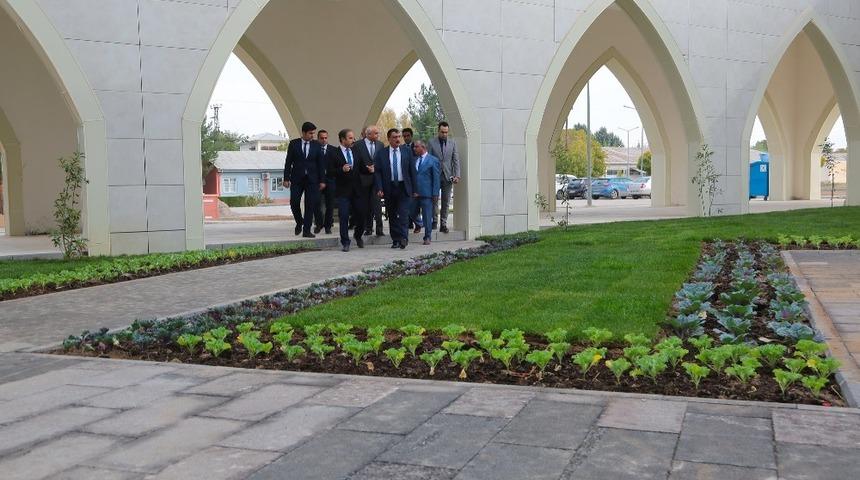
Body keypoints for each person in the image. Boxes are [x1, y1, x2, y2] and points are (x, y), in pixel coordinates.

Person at [374, 128, 416, 249]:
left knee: (403, 214)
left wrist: (415, 189)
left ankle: (404, 238)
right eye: (395, 137)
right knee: (392, 215)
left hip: (404, 187)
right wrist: (379, 188)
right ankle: (395, 239)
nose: (398, 139)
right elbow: (378, 173)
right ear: (389, 139)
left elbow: (412, 171)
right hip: (389, 187)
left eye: (399, 137)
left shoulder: (407, 151)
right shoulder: (381, 153)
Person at [283, 121, 326, 238]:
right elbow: (288, 162)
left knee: (310, 204)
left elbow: (321, 164)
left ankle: (306, 230)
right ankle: (299, 221)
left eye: (313, 133)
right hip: (297, 179)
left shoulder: (317, 145)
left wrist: (322, 180)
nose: (312, 135)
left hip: (312, 180)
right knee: (294, 202)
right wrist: (286, 178)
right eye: (310, 133)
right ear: (303, 133)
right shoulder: (294, 144)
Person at [330, 129, 368, 252]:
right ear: (342, 139)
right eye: (350, 138)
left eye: (353, 137)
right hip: (343, 191)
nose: (353, 140)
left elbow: (362, 169)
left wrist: (369, 169)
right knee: (344, 216)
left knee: (362, 215)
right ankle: (345, 242)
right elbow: (329, 172)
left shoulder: (356, 151)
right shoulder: (333, 153)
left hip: (357, 190)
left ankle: (358, 235)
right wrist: (341, 169)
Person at [427, 121, 460, 234]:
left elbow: (455, 160)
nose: (444, 134)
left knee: (446, 201)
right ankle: (434, 221)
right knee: (434, 200)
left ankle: (444, 224)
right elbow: (428, 160)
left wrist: (457, 175)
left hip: (448, 176)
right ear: (438, 131)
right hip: (434, 176)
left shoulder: (452, 143)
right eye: (442, 132)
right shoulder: (431, 142)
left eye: (446, 132)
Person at [353, 125, 385, 237]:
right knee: (366, 205)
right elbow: (355, 161)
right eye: (375, 133)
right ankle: (368, 228)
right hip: (363, 179)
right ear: (368, 134)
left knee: (377, 204)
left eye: (378, 133)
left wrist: (375, 167)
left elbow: (382, 161)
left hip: (376, 179)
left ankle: (379, 229)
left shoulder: (380, 145)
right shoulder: (357, 145)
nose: (377, 135)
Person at [411, 140, 440, 245]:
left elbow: (436, 178)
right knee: (411, 212)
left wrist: (435, 193)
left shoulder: (433, 160)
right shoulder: (414, 160)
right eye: (414, 147)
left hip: (427, 194)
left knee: (427, 216)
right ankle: (419, 223)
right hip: (414, 193)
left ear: (423, 147)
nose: (414, 149)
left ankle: (427, 236)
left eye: (416, 147)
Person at [313, 130, 335, 234]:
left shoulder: (334, 150)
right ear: (318, 138)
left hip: (330, 181)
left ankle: (328, 226)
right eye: (321, 138)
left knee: (330, 205)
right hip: (317, 181)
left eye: (325, 138)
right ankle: (319, 224)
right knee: (316, 203)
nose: (324, 140)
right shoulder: (313, 149)